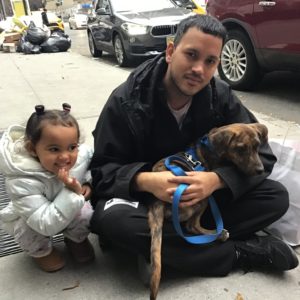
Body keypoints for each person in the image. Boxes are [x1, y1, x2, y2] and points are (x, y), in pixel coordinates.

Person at [89, 14, 298, 281]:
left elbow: (265, 155)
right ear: (170, 51)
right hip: (144, 202)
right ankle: (241, 252)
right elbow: (102, 171)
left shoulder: (220, 95)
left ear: (218, 64)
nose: (199, 69)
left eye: (210, 61)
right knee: (112, 222)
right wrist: (146, 181)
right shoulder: (126, 100)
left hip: (201, 200)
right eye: (191, 55)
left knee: (276, 196)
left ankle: (165, 252)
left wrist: (216, 180)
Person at [0, 104, 95, 272]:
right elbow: (44, 224)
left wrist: (88, 181)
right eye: (54, 149)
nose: (65, 156)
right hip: (36, 220)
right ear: (32, 149)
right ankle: (42, 252)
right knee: (28, 231)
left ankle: (76, 239)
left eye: (72, 147)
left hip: (64, 209)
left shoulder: (80, 157)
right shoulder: (21, 179)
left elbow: (92, 163)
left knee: (86, 213)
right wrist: (71, 191)